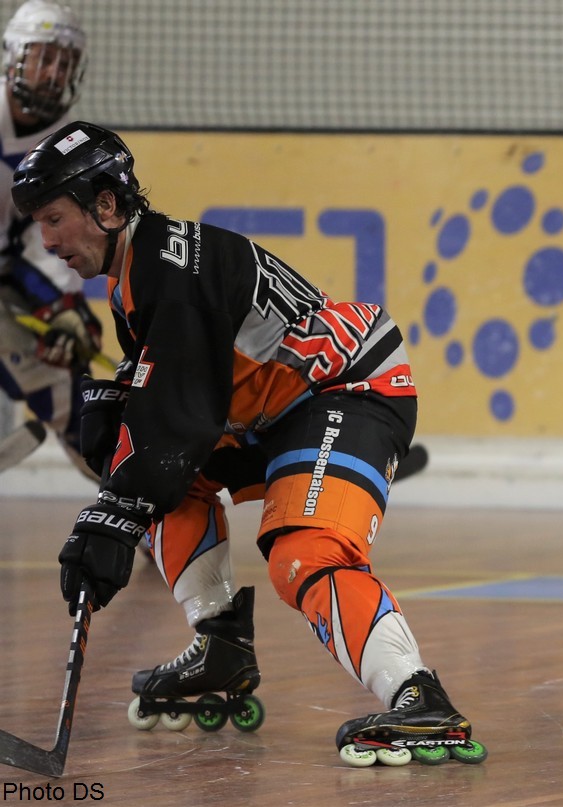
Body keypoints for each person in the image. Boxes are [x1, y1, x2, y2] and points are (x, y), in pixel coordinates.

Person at [10, 121, 486, 768]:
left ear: (108, 205)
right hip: (272, 409)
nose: (47, 240)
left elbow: (179, 418)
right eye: (38, 223)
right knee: (147, 469)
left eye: (55, 218)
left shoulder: (169, 271)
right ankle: (222, 644)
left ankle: (419, 695)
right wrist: (120, 449)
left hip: (346, 389)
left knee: (303, 552)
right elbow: (176, 403)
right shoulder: (138, 274)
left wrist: (113, 512)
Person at [0, 0, 99, 480]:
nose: (55, 73)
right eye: (44, 57)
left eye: (65, 63)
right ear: (12, 55)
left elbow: (49, 238)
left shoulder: (64, 146)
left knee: (66, 389)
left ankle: (135, 503)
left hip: (7, 272)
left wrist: (63, 308)